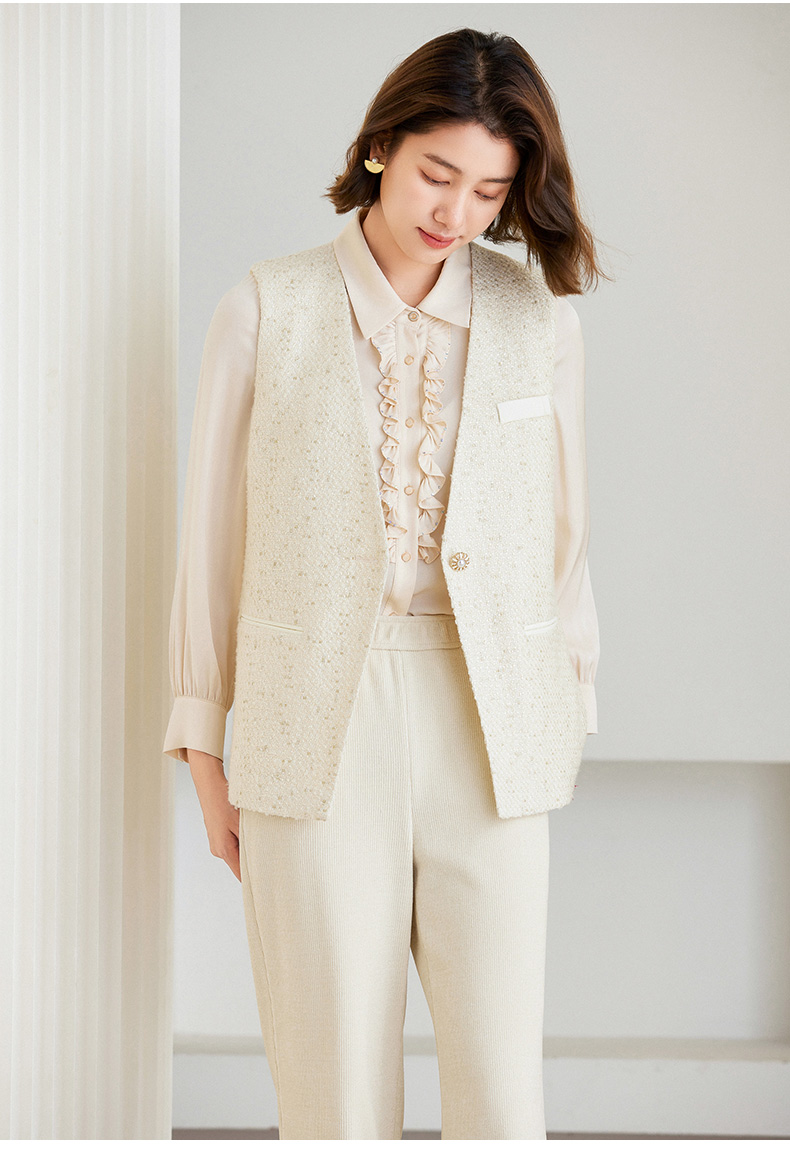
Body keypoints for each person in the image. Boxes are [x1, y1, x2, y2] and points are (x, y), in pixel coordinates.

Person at [163, 26, 606, 1141]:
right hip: (315, 719)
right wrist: (207, 751)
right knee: (333, 1089)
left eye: (489, 191)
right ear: (379, 148)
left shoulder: (540, 322)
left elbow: (563, 536)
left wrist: (567, 704)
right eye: (436, 174)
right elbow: (211, 543)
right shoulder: (264, 308)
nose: (455, 212)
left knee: (501, 1093)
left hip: (491, 719)